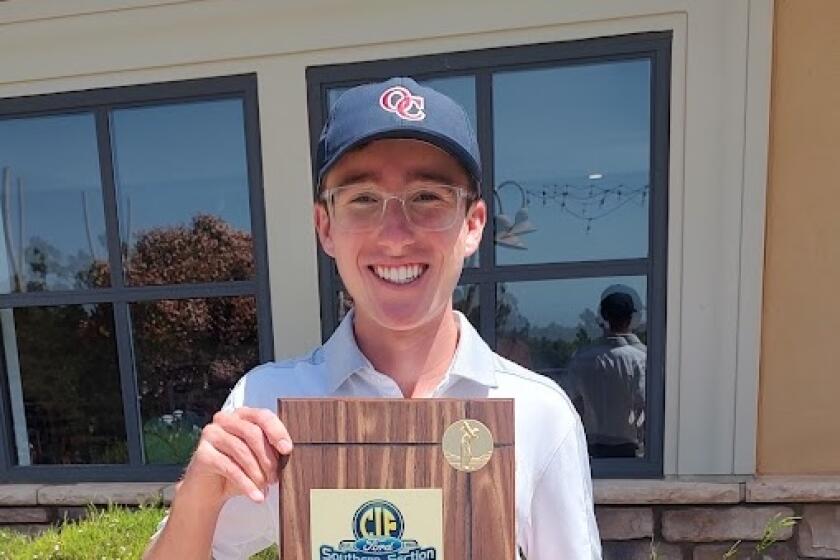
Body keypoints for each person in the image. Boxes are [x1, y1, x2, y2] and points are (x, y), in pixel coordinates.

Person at [144, 77, 601, 559]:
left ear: (472, 225)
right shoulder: (266, 405)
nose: (395, 234)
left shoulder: (538, 413)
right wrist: (198, 495)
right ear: (325, 227)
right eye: (363, 199)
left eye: (427, 196)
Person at [568, 286, 647, 459]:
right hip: (629, 448)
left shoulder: (582, 358)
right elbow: (644, 403)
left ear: (604, 317)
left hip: (591, 447)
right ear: (631, 319)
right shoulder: (639, 360)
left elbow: (574, 403)